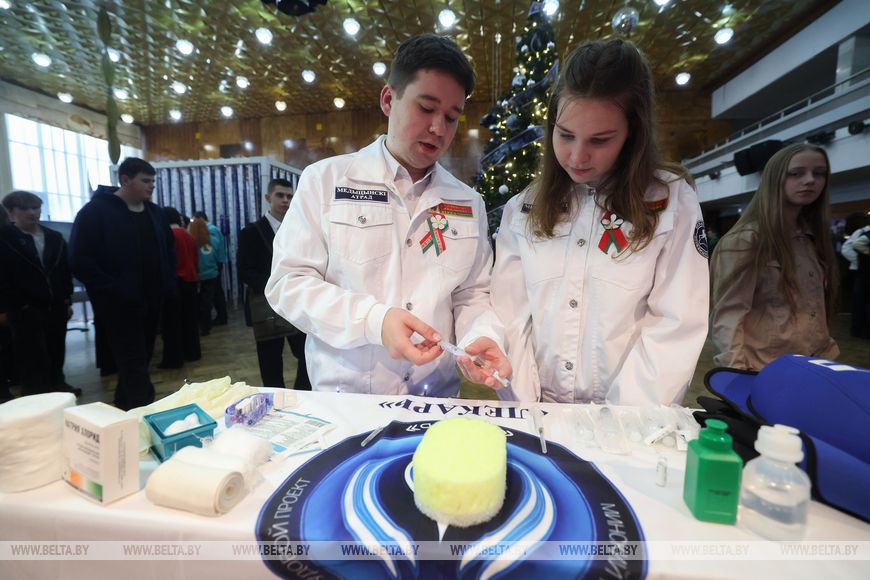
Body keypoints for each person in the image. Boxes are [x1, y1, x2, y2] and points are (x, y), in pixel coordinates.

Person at [266, 34, 508, 395]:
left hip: (435, 399)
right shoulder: (326, 180)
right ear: (388, 100)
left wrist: (480, 336)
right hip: (348, 401)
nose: (438, 129)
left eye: (451, 117)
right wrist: (374, 321)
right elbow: (289, 283)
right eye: (426, 108)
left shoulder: (467, 201)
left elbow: (471, 294)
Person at [489, 39, 709, 405]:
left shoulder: (672, 202)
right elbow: (511, 315)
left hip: (629, 418)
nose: (577, 157)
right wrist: (526, 408)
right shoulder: (522, 208)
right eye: (565, 135)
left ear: (632, 133)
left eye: (600, 140)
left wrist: (616, 424)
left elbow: (675, 325)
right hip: (536, 411)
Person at [711, 143, 839, 370]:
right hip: (764, 370)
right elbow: (728, 316)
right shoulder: (746, 241)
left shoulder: (814, 238)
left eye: (819, 173)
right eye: (796, 173)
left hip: (815, 364)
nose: (810, 180)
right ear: (775, 178)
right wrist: (736, 375)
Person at [70, 158, 176, 410]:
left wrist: (167, 283)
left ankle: (124, 406)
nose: (151, 186)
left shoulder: (155, 213)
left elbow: (168, 250)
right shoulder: (95, 212)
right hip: (117, 304)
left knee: (141, 358)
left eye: (153, 181)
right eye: (145, 180)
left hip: (151, 300)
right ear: (125, 180)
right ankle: (143, 410)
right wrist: (112, 289)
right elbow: (79, 260)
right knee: (133, 361)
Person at [0, 191, 79, 398]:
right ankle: (36, 393)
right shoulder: (5, 238)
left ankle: (58, 384)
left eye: (35, 208)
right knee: (30, 353)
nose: (32, 212)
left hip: (55, 304)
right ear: (11, 212)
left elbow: (64, 272)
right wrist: (5, 308)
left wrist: (66, 300)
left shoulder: (54, 237)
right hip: (23, 307)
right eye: (24, 208)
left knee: (56, 347)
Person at [238, 179, 310, 390]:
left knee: (307, 354)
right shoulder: (250, 232)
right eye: (280, 195)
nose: (285, 200)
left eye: (289, 196)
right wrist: (276, 287)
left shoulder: (300, 230)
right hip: (266, 305)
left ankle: (301, 396)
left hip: (297, 303)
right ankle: (275, 401)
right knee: (270, 362)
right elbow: (245, 271)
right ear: (268, 197)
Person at [158, 207, 200, 368]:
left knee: (172, 324)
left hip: (176, 282)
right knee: (190, 321)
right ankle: (193, 352)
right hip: (191, 281)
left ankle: (174, 359)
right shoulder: (188, 235)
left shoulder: (169, 236)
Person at [192, 211, 228, 326]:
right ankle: (221, 317)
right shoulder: (212, 229)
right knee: (216, 292)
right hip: (216, 263)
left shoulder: (211, 230)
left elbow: (212, 249)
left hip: (214, 264)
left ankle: (221, 317)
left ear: (201, 219)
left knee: (215, 293)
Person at [188, 217, 220, 336]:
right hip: (212, 275)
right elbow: (219, 258)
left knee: (198, 303)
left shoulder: (191, 241)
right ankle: (206, 326)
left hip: (197, 277)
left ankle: (200, 325)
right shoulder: (214, 240)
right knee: (207, 302)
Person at [840, 212, 870, 337]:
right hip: (862, 272)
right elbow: (847, 249)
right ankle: (861, 330)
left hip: (860, 272)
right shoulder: (863, 231)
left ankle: (859, 329)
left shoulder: (861, 231)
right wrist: (860, 261)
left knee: (860, 302)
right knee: (862, 302)